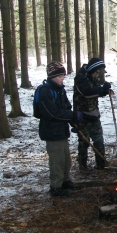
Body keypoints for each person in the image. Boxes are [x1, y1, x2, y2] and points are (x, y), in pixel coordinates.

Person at [37, 61, 83, 197]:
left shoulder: (60, 90)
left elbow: (66, 107)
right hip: (52, 132)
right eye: (60, 76)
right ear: (52, 76)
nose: (62, 79)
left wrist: (73, 121)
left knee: (65, 159)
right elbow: (52, 113)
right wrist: (71, 115)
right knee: (57, 160)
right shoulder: (46, 92)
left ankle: (65, 181)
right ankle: (56, 187)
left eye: (63, 76)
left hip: (61, 131)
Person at [73, 57, 112, 171]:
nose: (97, 75)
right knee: (84, 142)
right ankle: (82, 165)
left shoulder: (92, 76)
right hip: (82, 116)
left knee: (99, 140)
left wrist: (105, 91)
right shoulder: (80, 78)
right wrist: (100, 89)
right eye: (96, 72)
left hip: (94, 114)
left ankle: (101, 164)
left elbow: (95, 92)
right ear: (92, 69)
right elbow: (87, 93)